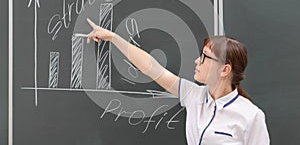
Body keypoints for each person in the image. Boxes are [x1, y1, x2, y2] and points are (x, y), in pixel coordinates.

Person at [86, 18, 270, 145]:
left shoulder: (250, 115)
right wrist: (113, 38)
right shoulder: (193, 95)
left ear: (225, 69)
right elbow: (151, 68)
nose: (197, 61)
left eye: (205, 57)